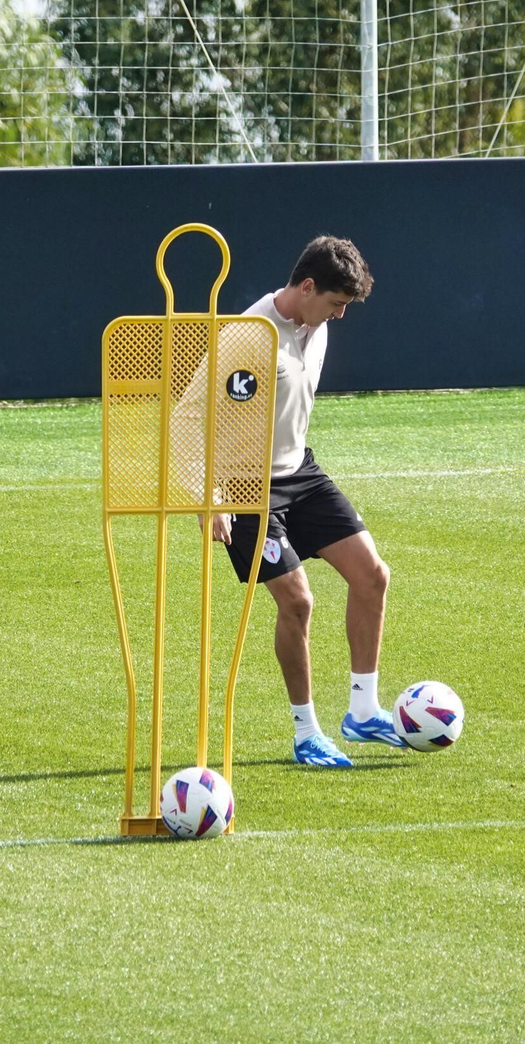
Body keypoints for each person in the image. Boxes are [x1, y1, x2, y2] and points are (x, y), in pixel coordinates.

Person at [202, 236, 398, 767]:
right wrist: (212, 497)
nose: (340, 315)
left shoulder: (319, 328)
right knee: (298, 602)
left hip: (299, 472)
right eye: (336, 303)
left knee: (373, 574)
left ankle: (362, 711)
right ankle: (306, 732)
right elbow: (189, 419)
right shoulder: (246, 338)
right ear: (306, 286)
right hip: (245, 487)